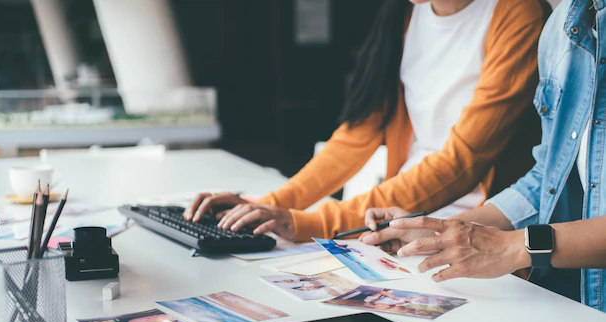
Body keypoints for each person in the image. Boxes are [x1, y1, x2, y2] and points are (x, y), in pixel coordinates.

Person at [185, 0, 550, 242]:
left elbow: (462, 162)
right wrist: (267, 206)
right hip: (396, 219)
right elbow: (354, 137)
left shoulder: (517, 14)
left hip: (468, 228)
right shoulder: (407, 13)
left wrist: (309, 222)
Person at [360, 0, 606, 312]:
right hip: (579, 311)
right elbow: (548, 179)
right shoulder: (560, 29)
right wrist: (443, 229)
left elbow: (460, 160)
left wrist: (516, 246)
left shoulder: (526, 17)